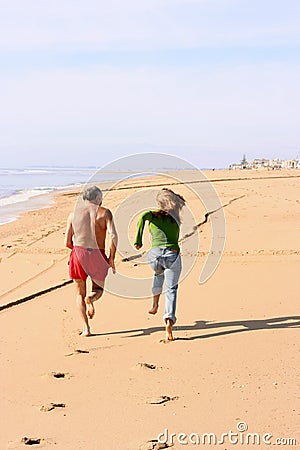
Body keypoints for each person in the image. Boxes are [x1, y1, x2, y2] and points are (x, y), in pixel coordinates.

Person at [65, 186, 118, 336]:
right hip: (97, 255)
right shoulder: (105, 213)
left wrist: (78, 253)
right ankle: (92, 298)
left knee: (79, 294)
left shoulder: (72, 215)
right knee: (98, 289)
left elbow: (67, 242)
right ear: (97, 198)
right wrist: (111, 257)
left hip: (78, 253)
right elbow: (113, 235)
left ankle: (86, 329)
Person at [134, 188, 185, 341]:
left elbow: (142, 217)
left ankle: (154, 305)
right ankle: (169, 321)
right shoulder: (175, 218)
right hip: (172, 254)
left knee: (158, 275)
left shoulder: (153, 215)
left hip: (155, 256)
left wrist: (138, 240)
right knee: (171, 289)